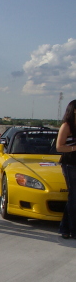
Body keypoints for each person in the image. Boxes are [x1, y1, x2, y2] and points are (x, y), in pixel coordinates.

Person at [56, 100, 76, 239]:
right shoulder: (66, 126)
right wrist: (74, 148)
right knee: (74, 197)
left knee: (73, 198)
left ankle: (65, 228)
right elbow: (59, 147)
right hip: (70, 163)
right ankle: (72, 230)